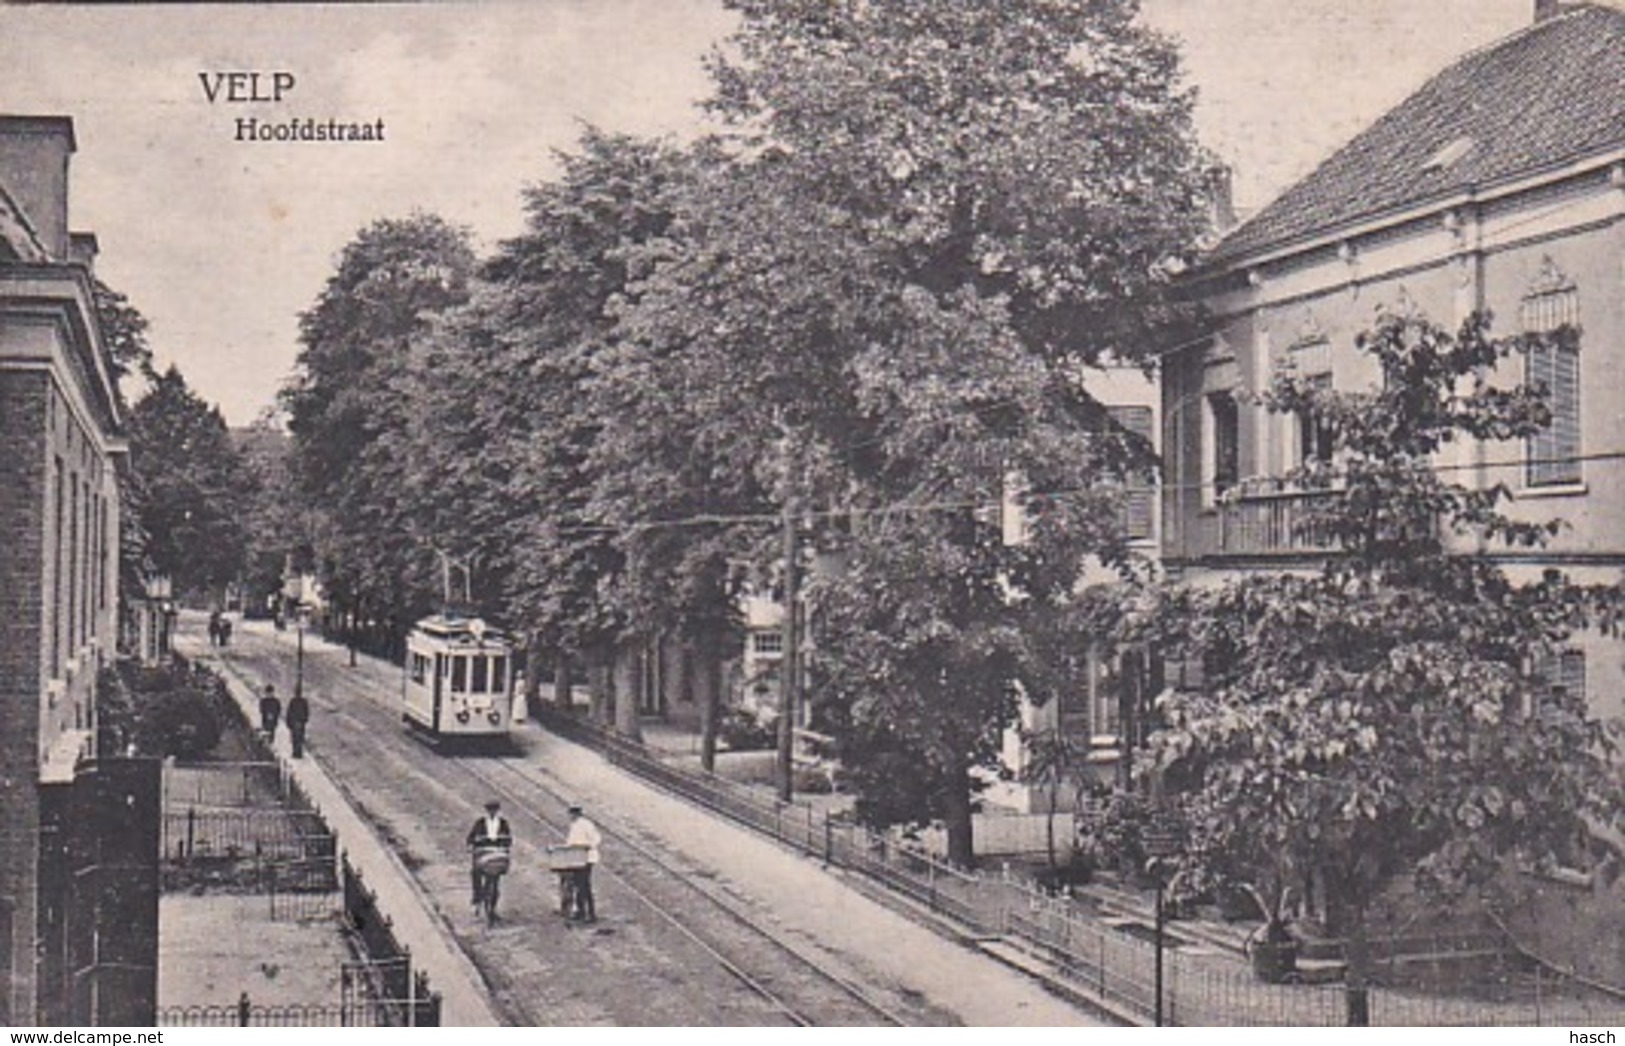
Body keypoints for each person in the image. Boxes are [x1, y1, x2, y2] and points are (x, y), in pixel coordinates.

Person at [466, 800, 513, 916]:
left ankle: (492, 907)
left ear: (497, 811)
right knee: (475, 873)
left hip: (497, 855)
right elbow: (471, 838)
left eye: (494, 810)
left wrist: (504, 845)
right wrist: (472, 845)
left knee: (495, 881)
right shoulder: (480, 823)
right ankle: (477, 898)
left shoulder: (503, 823)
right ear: (487, 811)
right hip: (482, 854)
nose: (492, 813)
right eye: (490, 810)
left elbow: (509, 839)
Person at [563, 804, 602, 922]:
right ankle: (581, 912)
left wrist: (587, 846)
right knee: (578, 886)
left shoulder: (586, 825)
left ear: (576, 814)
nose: (570, 816)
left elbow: (596, 838)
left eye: (571, 814)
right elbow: (571, 842)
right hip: (577, 858)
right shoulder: (574, 826)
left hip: (586, 859)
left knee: (584, 886)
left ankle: (590, 913)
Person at [286, 690, 310, 758]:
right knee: (299, 738)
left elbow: (289, 712)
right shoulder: (303, 701)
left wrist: (289, 722)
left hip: (296, 722)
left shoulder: (293, 701)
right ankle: (298, 752)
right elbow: (306, 712)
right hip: (300, 722)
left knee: (295, 738)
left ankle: (296, 752)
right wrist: (304, 720)